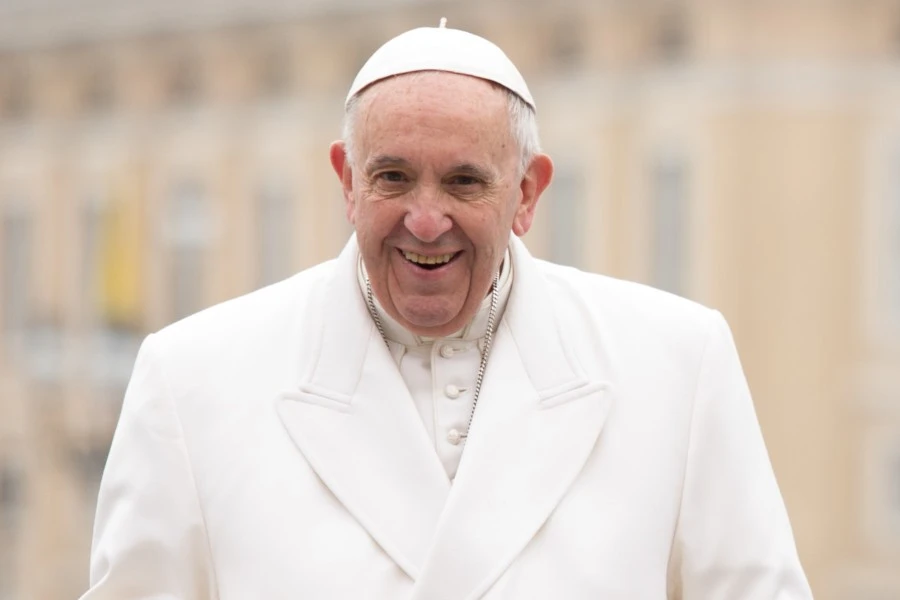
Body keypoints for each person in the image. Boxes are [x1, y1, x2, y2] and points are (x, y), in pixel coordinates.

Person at [81, 22, 814, 600]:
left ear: (527, 192)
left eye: (465, 182)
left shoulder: (677, 364)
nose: (425, 221)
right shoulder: (191, 378)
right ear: (346, 181)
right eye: (393, 177)